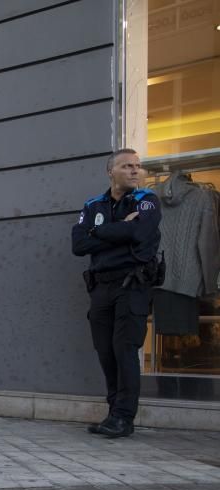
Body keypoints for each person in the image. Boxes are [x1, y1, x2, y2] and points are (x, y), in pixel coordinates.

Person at [72, 148, 162, 438]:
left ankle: (124, 417)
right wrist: (120, 228)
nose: (135, 170)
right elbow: (78, 245)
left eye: (138, 166)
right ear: (111, 171)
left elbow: (139, 235)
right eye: (127, 166)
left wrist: (98, 235)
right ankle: (114, 413)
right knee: (105, 351)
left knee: (125, 351)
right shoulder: (92, 205)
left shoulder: (147, 200)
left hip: (132, 286)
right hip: (101, 288)